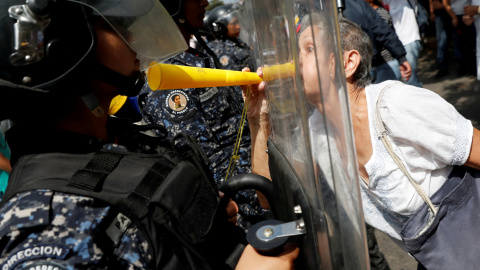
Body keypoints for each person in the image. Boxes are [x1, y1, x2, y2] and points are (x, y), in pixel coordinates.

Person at [0, 0, 298, 268]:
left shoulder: (114, 148)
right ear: (66, 46)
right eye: (109, 24)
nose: (129, 36)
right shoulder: (44, 224)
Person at [244, 15, 480, 266]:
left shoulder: (395, 105)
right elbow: (270, 198)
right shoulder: (316, 131)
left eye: (309, 49)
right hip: (438, 257)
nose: (295, 61)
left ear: (348, 63)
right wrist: (259, 119)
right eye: (295, 52)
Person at [139, 0, 268, 229]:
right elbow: (205, 158)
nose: (205, 2)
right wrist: (258, 206)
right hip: (247, 211)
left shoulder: (196, 56)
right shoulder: (170, 75)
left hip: (261, 186)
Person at [344, 0, 412, 83]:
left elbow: (382, 29)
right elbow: (382, 30)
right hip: (365, 66)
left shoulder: (357, 4)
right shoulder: (357, 4)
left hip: (359, 69)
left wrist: (401, 57)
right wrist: (401, 58)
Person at [382, 0, 424, 87]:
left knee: (410, 80)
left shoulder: (406, 2)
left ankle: (424, 99)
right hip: (395, 45)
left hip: (409, 40)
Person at [207, 5, 255, 71]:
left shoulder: (237, 41)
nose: (238, 26)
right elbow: (234, 77)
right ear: (220, 27)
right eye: (234, 23)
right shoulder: (219, 50)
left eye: (237, 22)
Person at [364, 0, 403, 82]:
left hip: (386, 63)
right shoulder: (367, 14)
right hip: (376, 65)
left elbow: (383, 36)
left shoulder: (380, 13)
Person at [443, 0, 477, 76]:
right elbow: (445, 3)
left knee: (470, 45)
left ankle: (473, 69)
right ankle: (461, 68)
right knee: (458, 45)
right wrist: (454, 17)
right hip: (456, 17)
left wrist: (470, 14)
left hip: (470, 16)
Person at [430, 0, 452, 78]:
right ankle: (441, 64)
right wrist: (432, 11)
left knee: (442, 42)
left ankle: (443, 66)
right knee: (441, 41)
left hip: (445, 15)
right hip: (439, 15)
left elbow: (445, 3)